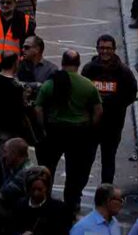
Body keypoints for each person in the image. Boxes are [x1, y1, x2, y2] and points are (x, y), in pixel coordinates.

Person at [34, 50, 103, 212]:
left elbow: (38, 109)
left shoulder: (50, 84)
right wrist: (91, 127)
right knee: (76, 170)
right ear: (78, 64)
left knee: (47, 167)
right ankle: (72, 201)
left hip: (54, 131)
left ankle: (45, 199)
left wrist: (43, 127)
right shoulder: (87, 85)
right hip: (79, 132)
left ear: (62, 63)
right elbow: (98, 110)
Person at [80, 35, 138, 185]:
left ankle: (106, 193)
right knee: (85, 161)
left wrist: (115, 106)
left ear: (114, 49)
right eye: (102, 48)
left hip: (113, 126)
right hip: (92, 126)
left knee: (108, 161)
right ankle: (76, 195)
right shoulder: (89, 69)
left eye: (108, 48)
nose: (104, 51)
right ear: (97, 49)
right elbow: (82, 94)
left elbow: (131, 94)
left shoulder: (124, 72)